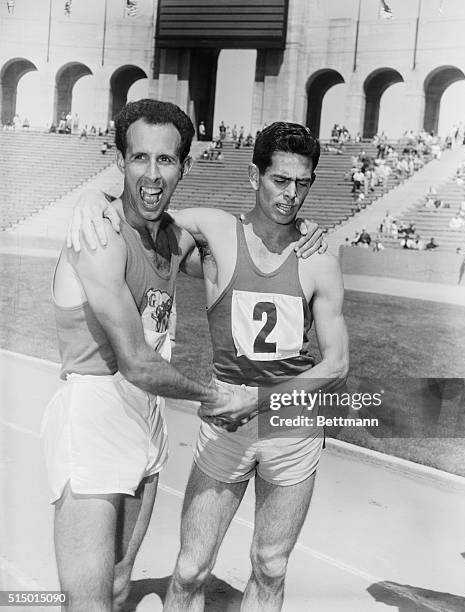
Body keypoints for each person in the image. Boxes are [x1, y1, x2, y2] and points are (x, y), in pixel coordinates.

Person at [70, 121, 347, 611]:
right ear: (252, 175)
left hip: (291, 425)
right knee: (191, 568)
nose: (291, 195)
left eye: (302, 183)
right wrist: (94, 198)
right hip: (225, 426)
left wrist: (257, 400)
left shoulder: (319, 258)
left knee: (271, 566)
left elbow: (337, 363)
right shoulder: (216, 230)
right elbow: (142, 207)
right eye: (279, 180)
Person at [45, 99, 257, 612]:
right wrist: (214, 396)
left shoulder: (171, 238)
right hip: (95, 413)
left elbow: (245, 247)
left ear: (184, 165)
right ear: (120, 160)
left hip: (147, 417)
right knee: (88, 602)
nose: (152, 173)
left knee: (119, 587)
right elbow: (136, 362)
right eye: (139, 158)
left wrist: (303, 238)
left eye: (166, 160)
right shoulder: (100, 238)